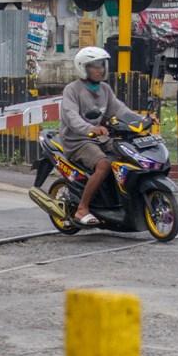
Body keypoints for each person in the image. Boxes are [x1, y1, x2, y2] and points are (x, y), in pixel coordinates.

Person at [60, 46, 137, 226]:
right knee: (103, 164)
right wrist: (90, 128)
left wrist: (141, 120)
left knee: (128, 154)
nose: (100, 69)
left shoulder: (105, 89)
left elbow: (119, 109)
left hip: (99, 139)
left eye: (102, 65)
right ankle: (82, 208)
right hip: (77, 140)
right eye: (94, 66)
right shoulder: (72, 90)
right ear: (83, 68)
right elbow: (71, 117)